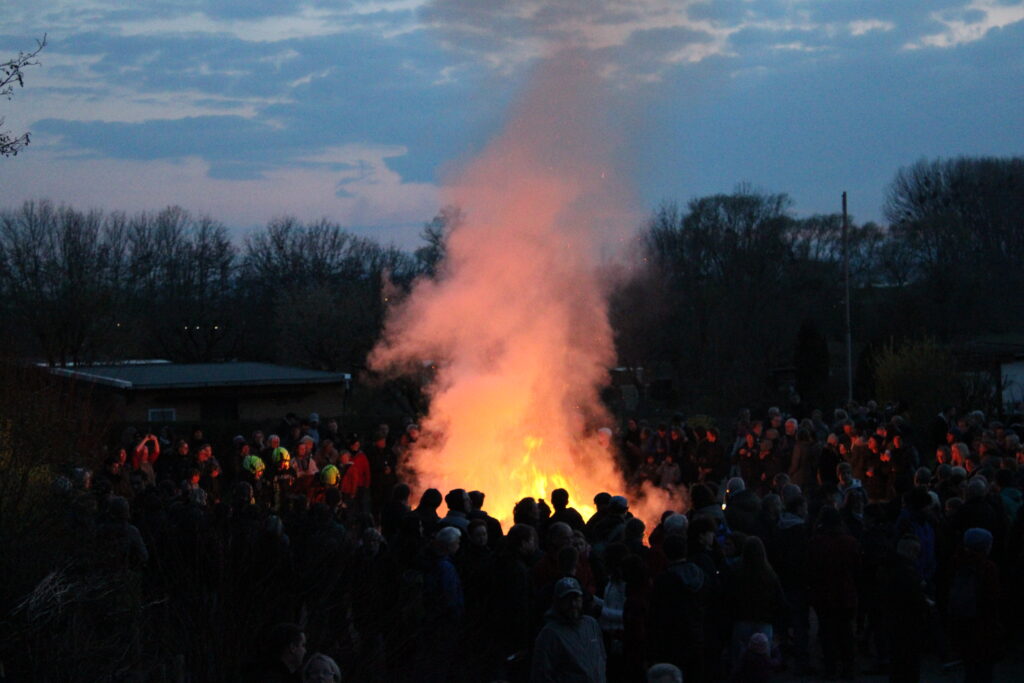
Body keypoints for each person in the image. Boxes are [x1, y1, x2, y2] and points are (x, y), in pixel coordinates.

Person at [531, 576, 607, 682]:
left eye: (576, 598)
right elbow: (541, 675)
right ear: (557, 602)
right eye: (567, 599)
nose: (573, 604)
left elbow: (602, 657)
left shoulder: (591, 624)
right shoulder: (549, 634)